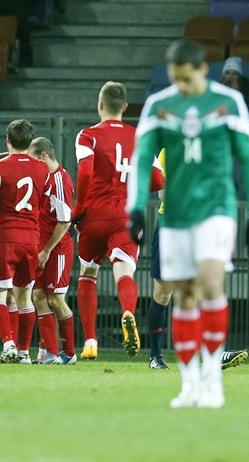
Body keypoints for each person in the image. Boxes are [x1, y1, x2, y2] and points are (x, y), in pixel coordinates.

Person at [127, 39, 249, 409]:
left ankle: (212, 380)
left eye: (187, 79)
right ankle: (189, 384)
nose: (182, 87)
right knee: (184, 294)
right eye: (175, 79)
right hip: (173, 216)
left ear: (204, 70)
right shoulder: (160, 106)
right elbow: (142, 159)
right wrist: (134, 206)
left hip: (216, 210)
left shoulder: (228, 102)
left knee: (210, 283)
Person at [72, 81, 164, 360]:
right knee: (124, 274)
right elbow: (159, 179)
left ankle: (90, 342)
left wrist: (79, 209)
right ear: (125, 107)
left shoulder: (88, 135)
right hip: (126, 217)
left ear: (100, 105)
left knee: (88, 274)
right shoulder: (140, 137)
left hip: (94, 215)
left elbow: (86, 172)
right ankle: (127, 311)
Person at [146, 148, 249, 371]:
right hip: (170, 226)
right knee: (163, 292)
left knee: (202, 289)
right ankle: (156, 355)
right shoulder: (168, 151)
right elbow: (163, 194)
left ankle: (213, 352)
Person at [0, 119, 50, 364]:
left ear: (7, 139)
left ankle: (8, 344)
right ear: (29, 141)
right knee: (25, 297)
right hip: (31, 240)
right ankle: (25, 352)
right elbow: (44, 204)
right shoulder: (42, 169)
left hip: (5, 238)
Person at [28, 137, 77, 365]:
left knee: (56, 299)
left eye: (32, 158)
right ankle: (51, 352)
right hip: (42, 248)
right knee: (38, 295)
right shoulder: (43, 177)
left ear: (43, 156)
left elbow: (65, 222)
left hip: (57, 249)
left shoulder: (60, 181)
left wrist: (47, 250)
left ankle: (69, 352)